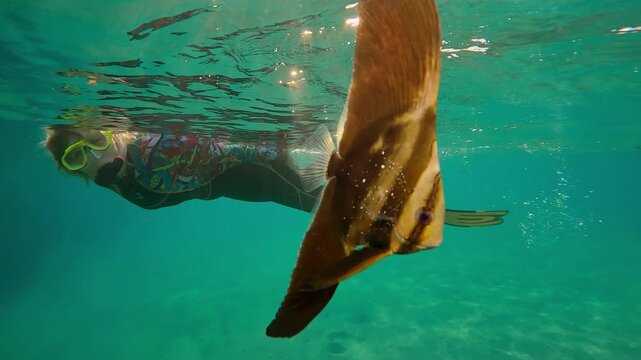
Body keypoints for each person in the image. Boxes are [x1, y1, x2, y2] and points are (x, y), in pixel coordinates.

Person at [44, 125, 507, 226]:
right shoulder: (124, 181)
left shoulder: (152, 144)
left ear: (110, 133)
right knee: (317, 203)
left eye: (96, 142)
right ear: (70, 172)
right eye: (76, 160)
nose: (94, 159)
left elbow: (222, 147)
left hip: (245, 167)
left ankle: (407, 210)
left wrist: (281, 152)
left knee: (315, 198)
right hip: (227, 184)